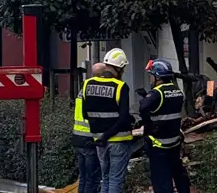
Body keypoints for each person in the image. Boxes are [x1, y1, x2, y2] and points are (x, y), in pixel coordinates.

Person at [84, 48, 134, 193]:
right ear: (120, 68)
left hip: (98, 139)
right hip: (118, 140)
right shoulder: (120, 86)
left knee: (105, 178)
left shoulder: (88, 84)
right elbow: (124, 118)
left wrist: (102, 135)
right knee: (115, 179)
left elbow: (86, 114)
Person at [140, 59, 190, 193]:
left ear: (158, 77)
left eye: (151, 76)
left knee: (161, 179)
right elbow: (166, 108)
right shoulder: (177, 91)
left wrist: (148, 125)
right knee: (178, 173)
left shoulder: (157, 92)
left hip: (158, 144)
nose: (150, 79)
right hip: (173, 142)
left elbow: (144, 107)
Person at [72, 62, 109, 193]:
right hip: (90, 139)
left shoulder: (84, 89)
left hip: (78, 138)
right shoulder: (96, 90)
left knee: (83, 177)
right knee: (92, 179)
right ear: (103, 74)